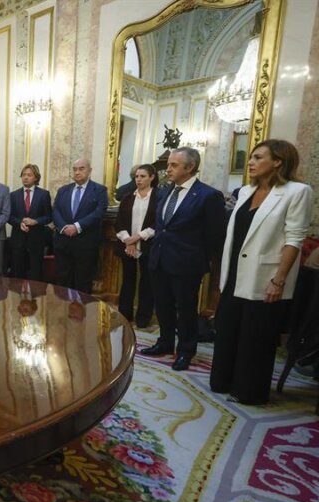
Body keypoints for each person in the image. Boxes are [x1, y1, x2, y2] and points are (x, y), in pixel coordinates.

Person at [210, 139, 313, 404]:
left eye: (258, 157)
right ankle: (223, 382)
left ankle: (248, 391)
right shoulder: (245, 191)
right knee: (229, 329)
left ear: (277, 161)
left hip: (265, 275)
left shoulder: (296, 191)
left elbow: (294, 239)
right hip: (234, 272)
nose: (251, 162)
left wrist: (278, 280)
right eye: (251, 157)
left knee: (256, 336)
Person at [141, 147, 226, 371]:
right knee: (163, 306)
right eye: (168, 164)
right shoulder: (164, 191)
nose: (167, 169)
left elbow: (215, 235)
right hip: (159, 258)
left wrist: (199, 258)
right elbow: (162, 226)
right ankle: (165, 342)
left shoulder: (208, 195)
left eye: (174, 165)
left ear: (190, 167)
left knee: (186, 309)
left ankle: (186, 350)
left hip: (187, 263)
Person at [50, 158, 108, 293]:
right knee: (63, 281)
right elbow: (56, 210)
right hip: (63, 242)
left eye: (81, 169)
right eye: (75, 169)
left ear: (90, 170)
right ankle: (64, 311)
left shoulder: (99, 190)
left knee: (83, 282)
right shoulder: (63, 190)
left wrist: (77, 226)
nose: (77, 172)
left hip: (85, 244)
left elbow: (99, 212)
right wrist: (64, 227)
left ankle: (82, 313)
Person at [115, 164, 158, 327]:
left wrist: (138, 238)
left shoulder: (158, 197)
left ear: (151, 177)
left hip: (148, 245)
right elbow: (119, 222)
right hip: (127, 245)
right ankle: (125, 314)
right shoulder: (128, 197)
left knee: (147, 282)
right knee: (127, 281)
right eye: (137, 177)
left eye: (143, 176)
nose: (139, 180)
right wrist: (128, 240)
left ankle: (143, 317)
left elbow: (158, 223)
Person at [9, 164, 52, 281]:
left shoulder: (43, 194)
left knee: (35, 273)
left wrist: (36, 221)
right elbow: (9, 216)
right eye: (23, 175)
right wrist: (19, 223)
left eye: (29, 175)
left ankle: (34, 299)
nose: (25, 177)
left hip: (36, 240)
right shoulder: (13, 195)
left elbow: (49, 216)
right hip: (18, 239)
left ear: (36, 178)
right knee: (17, 273)